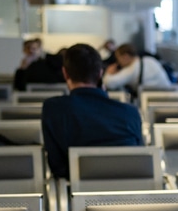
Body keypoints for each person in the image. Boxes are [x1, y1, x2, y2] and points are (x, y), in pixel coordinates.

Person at [40, 43, 143, 178]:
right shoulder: (130, 113)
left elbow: (57, 167)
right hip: (128, 196)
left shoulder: (53, 109)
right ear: (100, 74)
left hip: (77, 195)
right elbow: (140, 161)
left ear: (65, 73)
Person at [102, 43, 173, 95]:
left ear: (125, 56)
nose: (118, 62)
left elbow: (109, 83)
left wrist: (109, 73)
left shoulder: (131, 69)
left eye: (118, 59)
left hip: (151, 103)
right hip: (169, 97)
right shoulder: (150, 60)